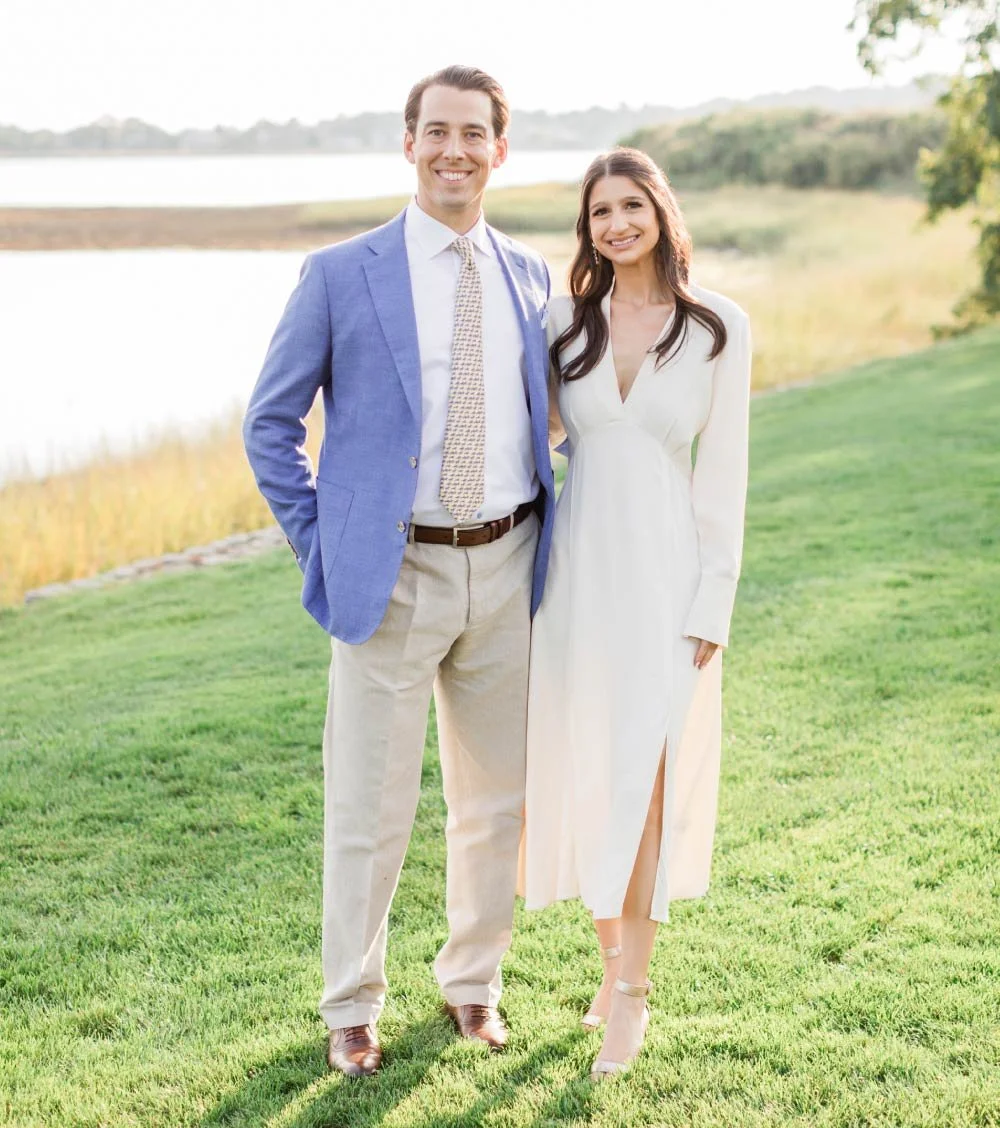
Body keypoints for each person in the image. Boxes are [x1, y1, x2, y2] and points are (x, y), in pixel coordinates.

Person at [243, 65, 555, 1078]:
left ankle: (475, 986)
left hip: (506, 565)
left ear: (499, 150)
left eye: (475, 134)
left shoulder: (529, 275)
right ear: (408, 143)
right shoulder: (342, 272)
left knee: (495, 804)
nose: (455, 151)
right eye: (437, 133)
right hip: (394, 574)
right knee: (368, 808)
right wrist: (325, 538)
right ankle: (352, 1006)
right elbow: (270, 426)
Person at [520, 147, 751, 1081]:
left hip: (667, 577)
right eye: (599, 212)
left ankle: (633, 995)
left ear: (660, 211)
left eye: (631, 206)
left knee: (648, 777)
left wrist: (714, 601)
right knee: (589, 766)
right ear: (588, 228)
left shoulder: (717, 327)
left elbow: (724, 479)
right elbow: (524, 449)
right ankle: (610, 962)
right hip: (576, 574)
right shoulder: (561, 323)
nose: (616, 224)